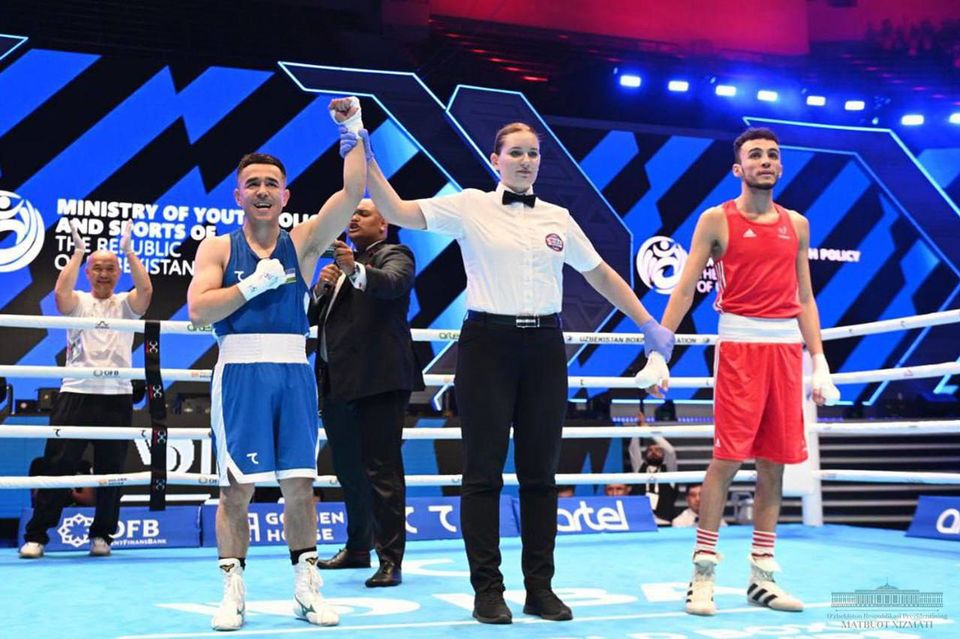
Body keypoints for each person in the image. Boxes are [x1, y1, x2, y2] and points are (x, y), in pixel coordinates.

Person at [362, 121, 674, 624]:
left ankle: (540, 588)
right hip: (487, 345)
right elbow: (397, 210)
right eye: (516, 153)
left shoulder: (558, 217)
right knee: (482, 474)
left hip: (546, 348)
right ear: (496, 159)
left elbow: (599, 272)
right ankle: (487, 590)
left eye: (533, 153)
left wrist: (647, 323)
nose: (526, 161)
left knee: (540, 476)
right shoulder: (470, 206)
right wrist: (363, 150)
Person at [186, 97, 366, 631]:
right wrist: (250, 286)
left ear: (285, 195)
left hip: (293, 372)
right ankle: (232, 594)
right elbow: (198, 311)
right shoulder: (218, 249)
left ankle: (306, 591)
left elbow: (352, 193)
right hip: (240, 374)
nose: (262, 190)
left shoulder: (303, 243)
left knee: (300, 487)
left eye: (271, 183)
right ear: (238, 194)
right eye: (253, 183)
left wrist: (353, 130)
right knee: (235, 489)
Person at [658, 127, 840, 616]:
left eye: (772, 155)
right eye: (755, 154)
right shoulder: (717, 219)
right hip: (739, 346)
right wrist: (660, 349)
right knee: (727, 459)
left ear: (780, 166)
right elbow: (684, 287)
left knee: (774, 464)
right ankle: (702, 575)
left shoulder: (797, 224)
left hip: (785, 352)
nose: (765, 161)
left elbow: (804, 297)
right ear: (738, 168)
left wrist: (819, 360)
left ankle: (762, 577)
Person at [20, 219, 153, 559]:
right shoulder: (78, 301)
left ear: (118, 273)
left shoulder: (125, 305)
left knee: (111, 472)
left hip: (117, 395)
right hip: (76, 393)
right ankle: (37, 536)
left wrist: (129, 252)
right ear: (88, 272)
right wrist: (78, 252)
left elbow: (147, 292)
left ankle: (102, 536)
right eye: (98, 268)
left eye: (110, 268)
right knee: (57, 466)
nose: (104, 274)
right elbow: (59, 295)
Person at [309, 198, 423, 588]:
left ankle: (390, 559)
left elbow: (393, 285)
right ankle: (358, 547)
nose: (353, 218)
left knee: (382, 470)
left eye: (363, 213)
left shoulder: (395, 254)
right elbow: (313, 319)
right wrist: (320, 289)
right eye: (351, 213)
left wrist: (352, 269)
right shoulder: (341, 266)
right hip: (337, 382)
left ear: (383, 224)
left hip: (379, 381)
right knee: (348, 471)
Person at [627, 434, 678, 524]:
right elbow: (633, 448)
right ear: (645, 455)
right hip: (640, 521)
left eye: (658, 450)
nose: (654, 452)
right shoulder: (640, 468)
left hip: (664, 522)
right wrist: (639, 429)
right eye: (650, 450)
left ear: (663, 454)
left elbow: (670, 451)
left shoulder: (669, 472)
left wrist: (650, 432)